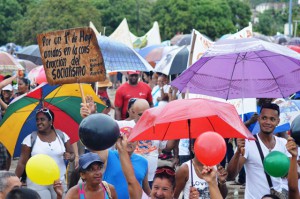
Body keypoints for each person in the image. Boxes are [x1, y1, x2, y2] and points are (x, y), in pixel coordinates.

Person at [227, 103, 291, 199]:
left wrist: (294, 162)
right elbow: (230, 175)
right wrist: (237, 153)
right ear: (259, 119)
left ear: (278, 121)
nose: (267, 122)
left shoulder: (283, 144)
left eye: (272, 119)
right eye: (264, 118)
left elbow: (291, 175)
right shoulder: (247, 143)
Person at [15, 108, 74, 199]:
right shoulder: (30, 139)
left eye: (42, 119)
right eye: (37, 120)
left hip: (58, 181)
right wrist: (14, 181)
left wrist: (70, 156)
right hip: (37, 183)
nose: (39, 122)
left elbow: (72, 154)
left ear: (51, 121)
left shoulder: (62, 136)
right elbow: (21, 163)